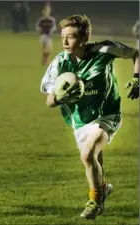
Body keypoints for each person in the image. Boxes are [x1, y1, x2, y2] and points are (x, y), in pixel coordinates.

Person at [40, 14, 139, 219]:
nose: (66, 42)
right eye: (63, 37)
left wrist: (137, 77)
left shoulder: (103, 50)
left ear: (85, 37)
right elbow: (49, 101)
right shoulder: (59, 63)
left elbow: (136, 53)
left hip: (107, 115)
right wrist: (61, 96)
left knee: (87, 154)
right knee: (94, 161)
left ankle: (94, 202)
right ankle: (102, 189)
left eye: (72, 36)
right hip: (80, 121)